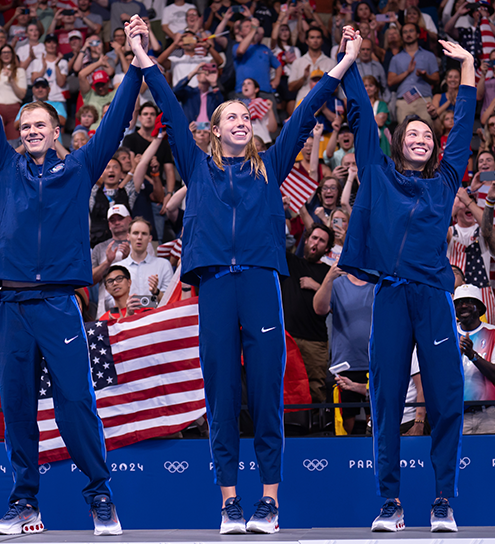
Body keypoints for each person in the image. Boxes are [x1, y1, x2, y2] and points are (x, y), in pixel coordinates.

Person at [129, 17, 362, 534]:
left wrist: (344, 63)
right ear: (214, 128)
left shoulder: (270, 165)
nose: (239, 121)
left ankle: (270, 502)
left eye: (244, 117)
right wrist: (144, 54)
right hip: (213, 287)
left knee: (264, 391)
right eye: (230, 115)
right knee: (221, 395)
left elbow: (303, 115)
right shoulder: (195, 166)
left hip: (259, 284)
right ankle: (231, 502)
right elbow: (168, 106)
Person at [0, 12, 147, 537]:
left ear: (56, 129)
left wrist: (135, 67)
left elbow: (113, 123)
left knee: (75, 403)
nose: (32, 132)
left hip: (59, 305)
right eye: (24, 127)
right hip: (16, 306)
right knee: (17, 407)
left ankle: (100, 497)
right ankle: (25, 505)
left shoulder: (79, 170)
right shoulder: (3, 165)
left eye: (40, 125)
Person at [337, 38, 476, 533]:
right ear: (398, 143)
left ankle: (443, 502)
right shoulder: (377, 175)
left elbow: (462, 130)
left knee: (445, 400)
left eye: (427, 134)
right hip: (392, 295)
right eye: (412, 132)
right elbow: (359, 116)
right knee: (387, 398)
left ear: (434, 148)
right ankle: (390, 504)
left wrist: (469, 68)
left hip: (434, 297)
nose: (421, 137)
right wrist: (351, 61)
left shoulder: (444, 182)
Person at [440, 285, 495, 434]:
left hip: (491, 413)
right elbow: (440, 377)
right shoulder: (447, 337)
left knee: (493, 456)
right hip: (457, 413)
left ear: (479, 307)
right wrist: (458, 355)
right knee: (460, 457)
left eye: (469, 301)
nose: (463, 305)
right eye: (459, 302)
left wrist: (472, 355)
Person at [314, 261, 374, 435]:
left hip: (373, 363)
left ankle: (372, 459)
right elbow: (319, 309)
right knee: (344, 423)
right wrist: (329, 277)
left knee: (375, 419)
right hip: (345, 365)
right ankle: (344, 459)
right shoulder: (337, 284)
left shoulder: (377, 284)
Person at [282, 225, 333, 404]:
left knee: (316, 389)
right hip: (288, 339)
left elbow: (337, 306)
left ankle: (317, 429)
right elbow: (273, 240)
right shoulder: (290, 262)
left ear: (327, 248)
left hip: (315, 342)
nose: (315, 243)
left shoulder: (328, 273)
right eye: (313, 238)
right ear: (306, 239)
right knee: (287, 387)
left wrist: (316, 286)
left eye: (321, 241)